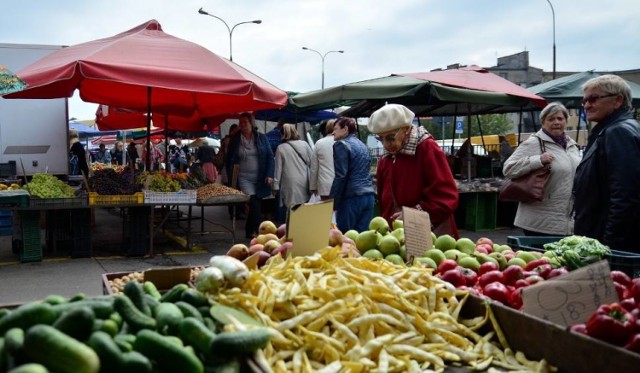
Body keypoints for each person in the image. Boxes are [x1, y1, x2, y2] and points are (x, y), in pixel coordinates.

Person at [367, 104, 459, 237]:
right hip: (395, 237)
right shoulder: (386, 158)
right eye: (380, 139)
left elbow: (446, 196)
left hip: (427, 235)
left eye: (390, 138)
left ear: (406, 129)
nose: (386, 145)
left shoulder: (427, 148)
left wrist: (413, 214)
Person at [573, 75, 640, 251]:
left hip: (607, 243)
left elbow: (624, 196)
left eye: (593, 99)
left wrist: (609, 247)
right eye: (584, 100)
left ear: (617, 100)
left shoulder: (618, 132)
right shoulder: (611, 129)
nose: (587, 105)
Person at [503, 102, 581, 236]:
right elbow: (508, 168)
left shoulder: (572, 145)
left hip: (567, 221)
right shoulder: (534, 142)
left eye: (560, 119)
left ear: (566, 121)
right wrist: (538, 160)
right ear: (543, 122)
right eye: (551, 119)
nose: (556, 122)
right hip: (539, 221)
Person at [226, 112, 275, 239]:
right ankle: (259, 233)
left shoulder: (261, 137)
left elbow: (270, 156)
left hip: (259, 177)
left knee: (256, 203)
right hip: (243, 178)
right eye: (240, 123)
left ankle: (249, 231)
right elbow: (229, 158)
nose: (242, 125)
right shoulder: (235, 139)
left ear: (251, 123)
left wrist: (270, 174)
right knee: (254, 203)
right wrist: (231, 176)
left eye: (245, 122)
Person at [330, 117, 376, 232]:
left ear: (345, 129)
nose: (332, 132)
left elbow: (341, 176)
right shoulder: (362, 145)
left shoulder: (341, 144)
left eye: (335, 129)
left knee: (346, 239)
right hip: (369, 196)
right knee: (362, 241)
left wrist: (333, 202)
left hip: (352, 198)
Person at [272, 123, 313, 214]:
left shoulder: (281, 148)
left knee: (292, 209)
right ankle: (301, 224)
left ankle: (292, 225)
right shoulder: (304, 144)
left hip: (289, 183)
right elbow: (312, 162)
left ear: (283, 134)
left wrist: (275, 186)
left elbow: (278, 169)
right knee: (303, 207)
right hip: (304, 181)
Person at [310, 119, 336, 200]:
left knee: (326, 211)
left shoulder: (319, 143)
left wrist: (313, 186)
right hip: (341, 186)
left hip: (325, 186)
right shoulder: (344, 142)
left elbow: (314, 168)